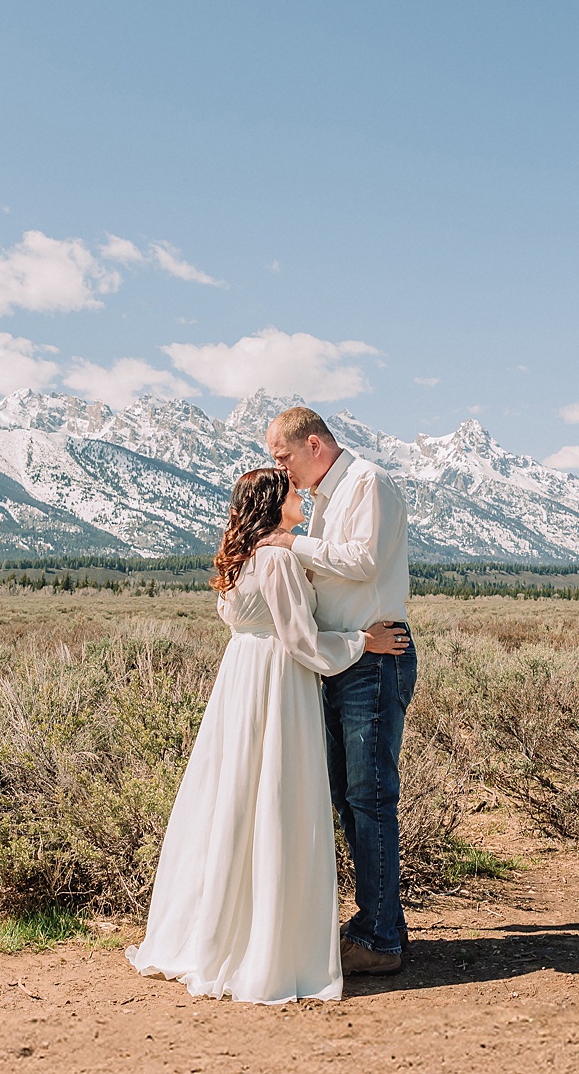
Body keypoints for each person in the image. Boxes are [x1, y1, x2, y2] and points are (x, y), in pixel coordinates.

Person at [128, 468, 408, 1004]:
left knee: (234, 796)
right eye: (292, 493)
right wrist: (362, 641)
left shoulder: (242, 556)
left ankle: (226, 927)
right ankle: (271, 941)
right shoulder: (277, 558)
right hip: (278, 681)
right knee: (276, 797)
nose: (300, 497)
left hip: (240, 681)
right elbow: (300, 639)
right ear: (273, 503)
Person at [258, 406, 414, 977]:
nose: (281, 470)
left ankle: (381, 939)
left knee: (369, 801)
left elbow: (363, 561)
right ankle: (376, 925)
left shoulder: (366, 483)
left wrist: (286, 546)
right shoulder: (326, 496)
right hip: (346, 657)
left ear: (315, 445)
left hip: (374, 662)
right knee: (350, 801)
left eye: (284, 457)